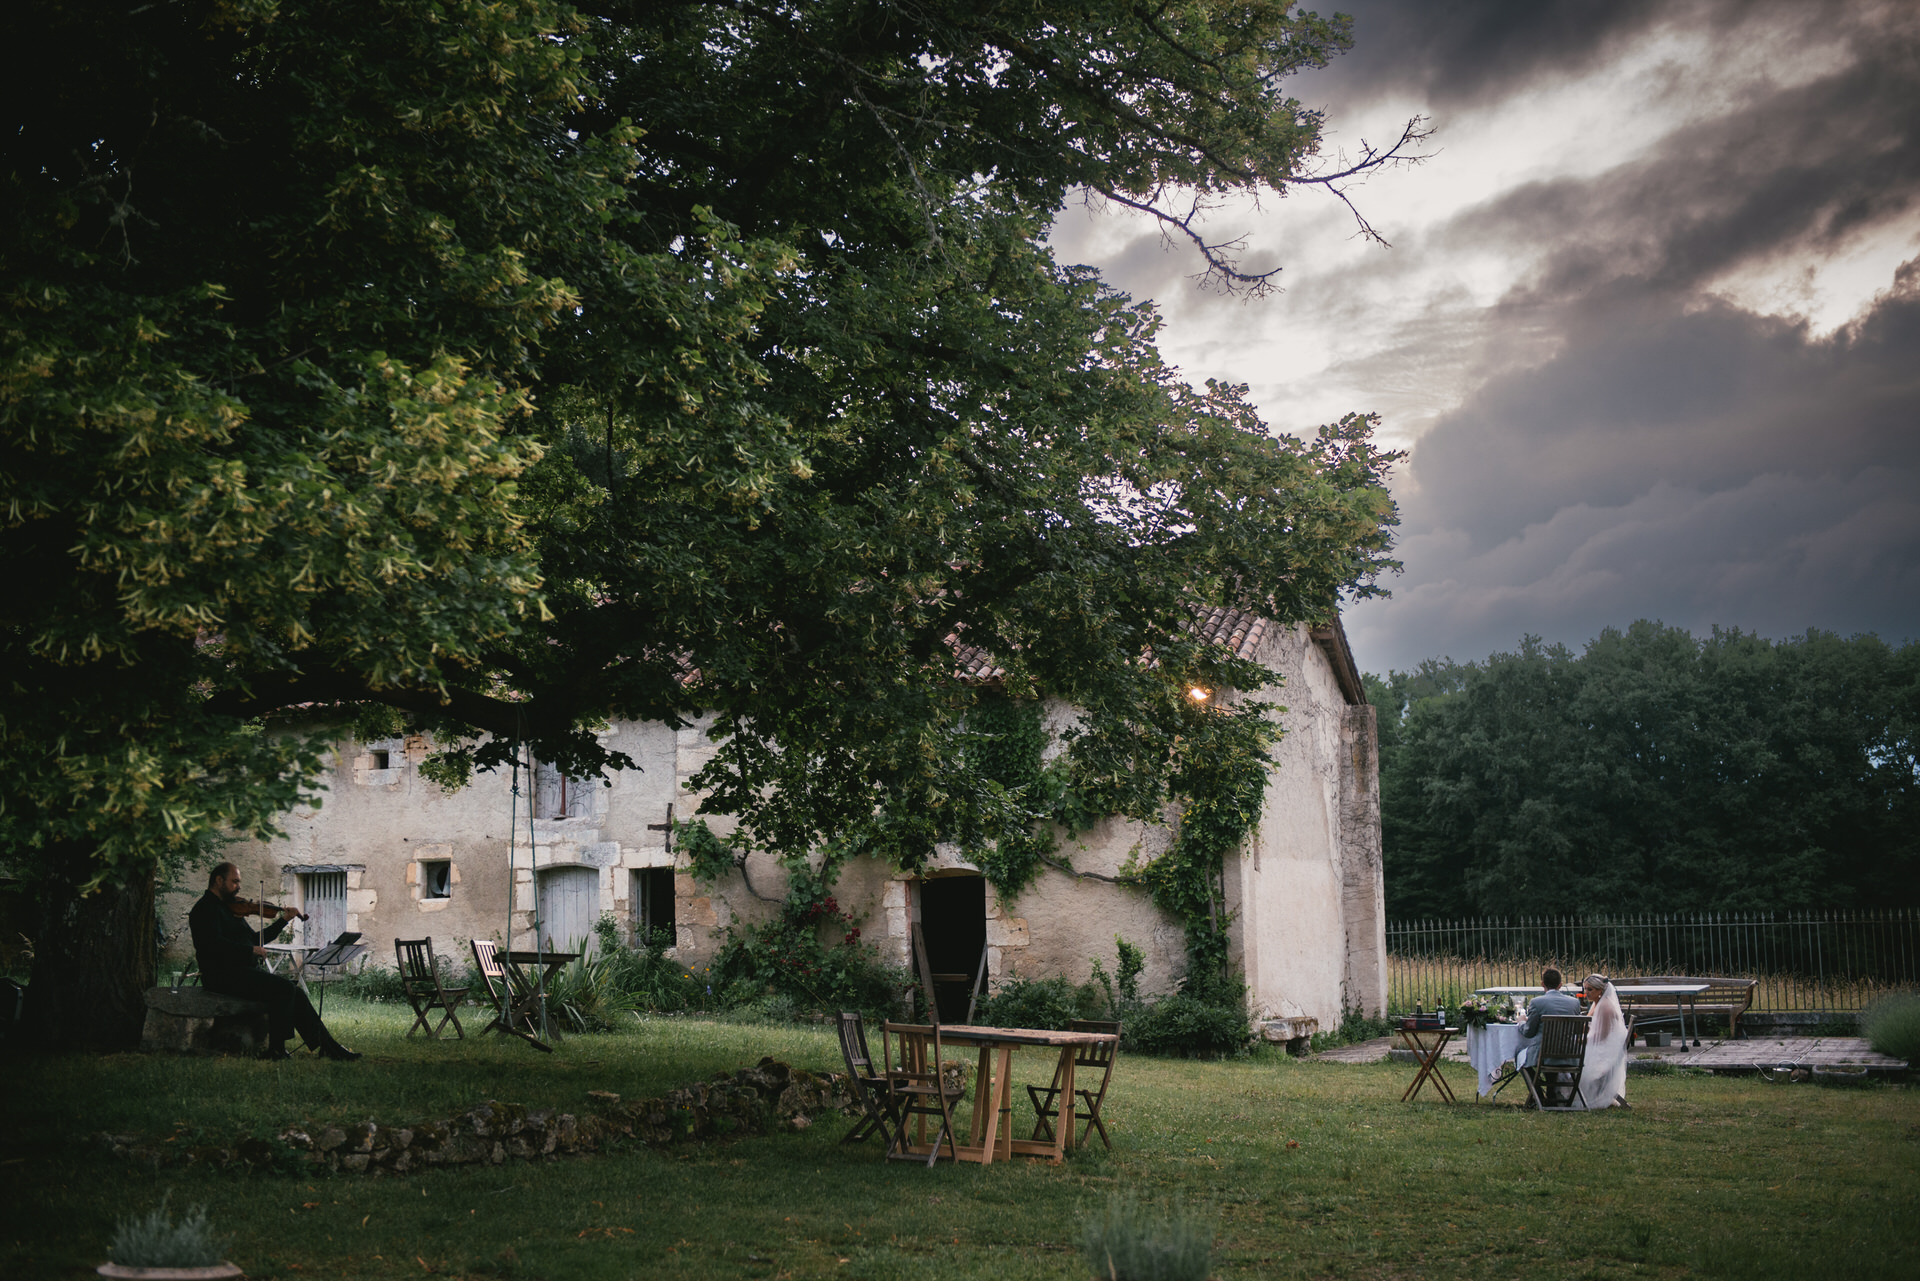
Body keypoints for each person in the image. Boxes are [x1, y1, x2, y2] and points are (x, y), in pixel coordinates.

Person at [189, 862, 361, 1061]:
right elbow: (212, 945)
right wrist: (249, 950)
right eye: (234, 881)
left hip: (240, 971)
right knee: (284, 989)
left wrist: (283, 920)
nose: (239, 886)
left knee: (294, 991)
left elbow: (255, 939)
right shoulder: (204, 909)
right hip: (221, 975)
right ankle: (276, 1049)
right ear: (218, 880)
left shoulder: (231, 909)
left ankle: (327, 1046)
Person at [1576, 973, 1630, 1109]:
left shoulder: (1605, 1007)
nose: (1586, 993)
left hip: (1605, 1054)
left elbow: (1602, 1036)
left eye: (1590, 990)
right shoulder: (1597, 1003)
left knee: (1568, 1061)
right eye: (1585, 989)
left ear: (1600, 991)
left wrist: (1581, 1041)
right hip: (1600, 1047)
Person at [1515, 967, 1583, 1070]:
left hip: (1543, 1056)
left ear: (1542, 984)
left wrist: (1522, 1022)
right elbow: (1576, 1030)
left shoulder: (1536, 1002)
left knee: (1518, 1054)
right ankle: (1548, 1086)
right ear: (1560, 985)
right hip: (1569, 1054)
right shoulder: (1574, 1003)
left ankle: (1535, 1086)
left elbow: (1529, 1032)